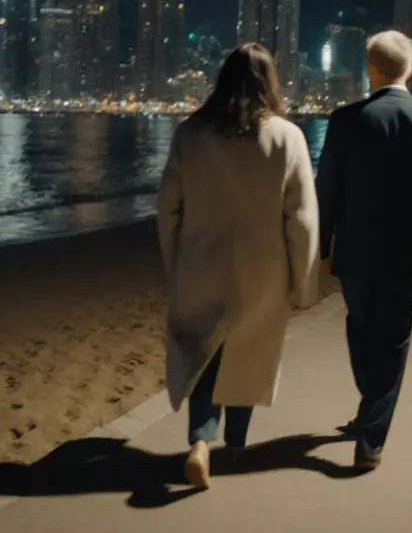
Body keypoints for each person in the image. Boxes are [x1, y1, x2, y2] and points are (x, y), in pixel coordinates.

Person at [156, 42, 320, 490]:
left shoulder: (191, 133)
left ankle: (200, 442)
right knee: (249, 351)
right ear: (270, 83)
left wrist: (177, 264)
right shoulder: (287, 137)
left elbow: (169, 208)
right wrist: (304, 284)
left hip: (201, 262)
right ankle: (237, 444)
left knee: (205, 353)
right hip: (263, 267)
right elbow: (302, 219)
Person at [315, 30, 412, 471]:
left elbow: (328, 191)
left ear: (369, 69)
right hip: (411, 255)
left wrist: (322, 247)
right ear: (410, 69)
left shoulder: (345, 121)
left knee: (361, 330)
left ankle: (369, 433)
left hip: (356, 253)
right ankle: (371, 429)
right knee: (393, 342)